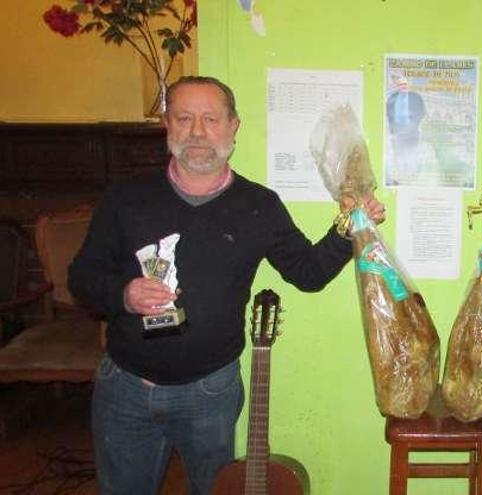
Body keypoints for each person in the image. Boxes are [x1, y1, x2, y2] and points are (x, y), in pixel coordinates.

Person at [68, 76, 386, 495]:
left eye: (210, 119)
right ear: (168, 124)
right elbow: (82, 278)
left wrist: (350, 228)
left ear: (233, 126)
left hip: (209, 394)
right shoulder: (126, 198)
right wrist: (123, 294)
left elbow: (308, 274)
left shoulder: (259, 205)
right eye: (184, 118)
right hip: (125, 389)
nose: (197, 132)